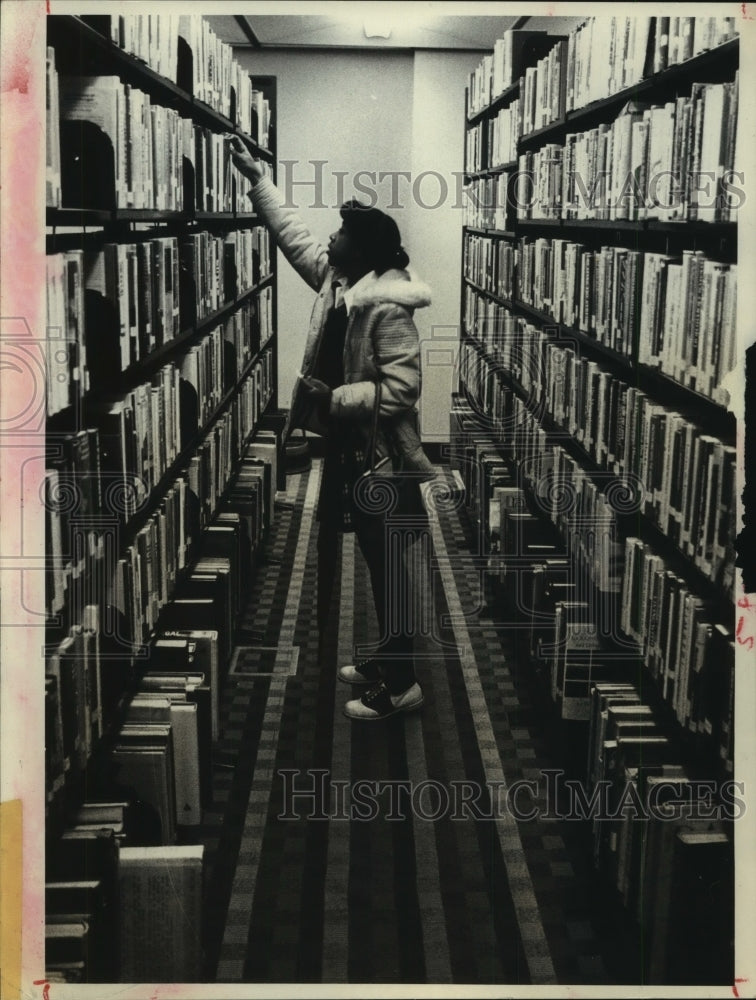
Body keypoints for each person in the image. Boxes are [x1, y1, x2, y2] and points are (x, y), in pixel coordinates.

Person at [230, 135, 434, 721]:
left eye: (340, 234)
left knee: (389, 567)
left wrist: (334, 397)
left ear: (361, 250)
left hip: (386, 463)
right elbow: (293, 236)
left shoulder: (387, 307)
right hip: (354, 451)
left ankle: (401, 685)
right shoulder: (339, 282)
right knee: (376, 561)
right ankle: (389, 661)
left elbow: (402, 391)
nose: (329, 238)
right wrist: (258, 178)